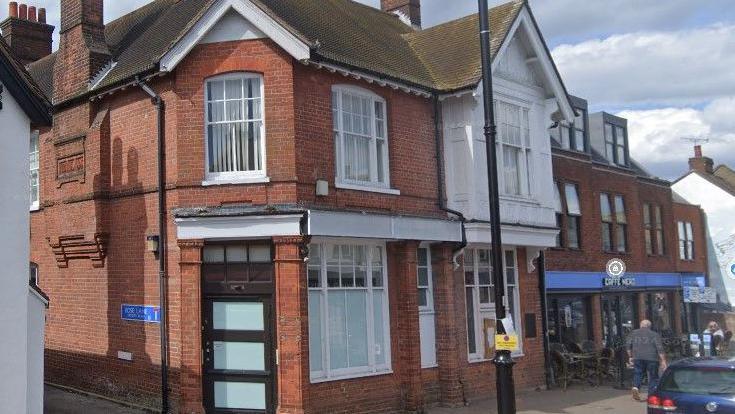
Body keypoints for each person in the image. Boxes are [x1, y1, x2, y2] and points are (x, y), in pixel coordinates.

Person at [627, 319, 667, 401]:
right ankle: (651, 395)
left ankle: (636, 387)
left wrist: (630, 356)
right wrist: (663, 361)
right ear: (649, 326)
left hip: (637, 357)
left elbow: (628, 346)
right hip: (652, 358)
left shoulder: (633, 333)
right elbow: (660, 348)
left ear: (641, 325)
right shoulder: (655, 334)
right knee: (653, 376)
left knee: (638, 373)